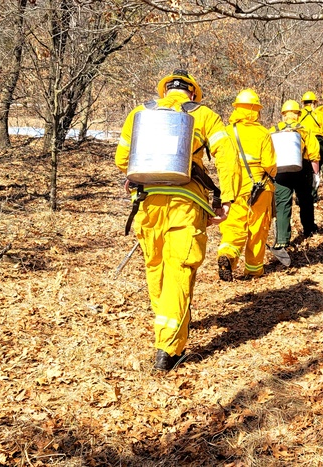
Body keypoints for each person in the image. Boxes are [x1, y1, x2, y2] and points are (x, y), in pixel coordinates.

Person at [114, 69, 241, 372]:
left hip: (149, 203)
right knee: (179, 269)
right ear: (193, 94)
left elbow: (122, 158)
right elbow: (227, 157)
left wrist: (134, 176)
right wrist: (227, 199)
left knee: (156, 267)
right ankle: (168, 350)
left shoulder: (139, 113)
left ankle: (166, 334)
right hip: (187, 201)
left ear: (164, 92)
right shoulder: (205, 115)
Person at [217, 89, 277, 281]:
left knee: (233, 225)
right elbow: (270, 165)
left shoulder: (226, 132)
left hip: (232, 187)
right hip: (259, 187)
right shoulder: (262, 133)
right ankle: (253, 269)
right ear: (255, 110)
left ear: (236, 108)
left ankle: (228, 254)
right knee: (257, 227)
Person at [269, 99, 320, 264]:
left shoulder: (273, 130)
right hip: (302, 168)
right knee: (306, 200)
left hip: (280, 171)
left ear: (283, 115)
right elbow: (314, 155)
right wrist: (316, 175)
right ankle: (309, 229)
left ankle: (282, 240)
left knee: (283, 204)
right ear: (299, 114)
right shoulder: (305, 131)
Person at [299, 91, 323, 200]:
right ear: (314, 103)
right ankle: (313, 195)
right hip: (318, 141)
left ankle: (301, 194)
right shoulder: (319, 115)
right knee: (316, 169)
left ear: (303, 103)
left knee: (302, 168)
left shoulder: (299, 114)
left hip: (303, 141)